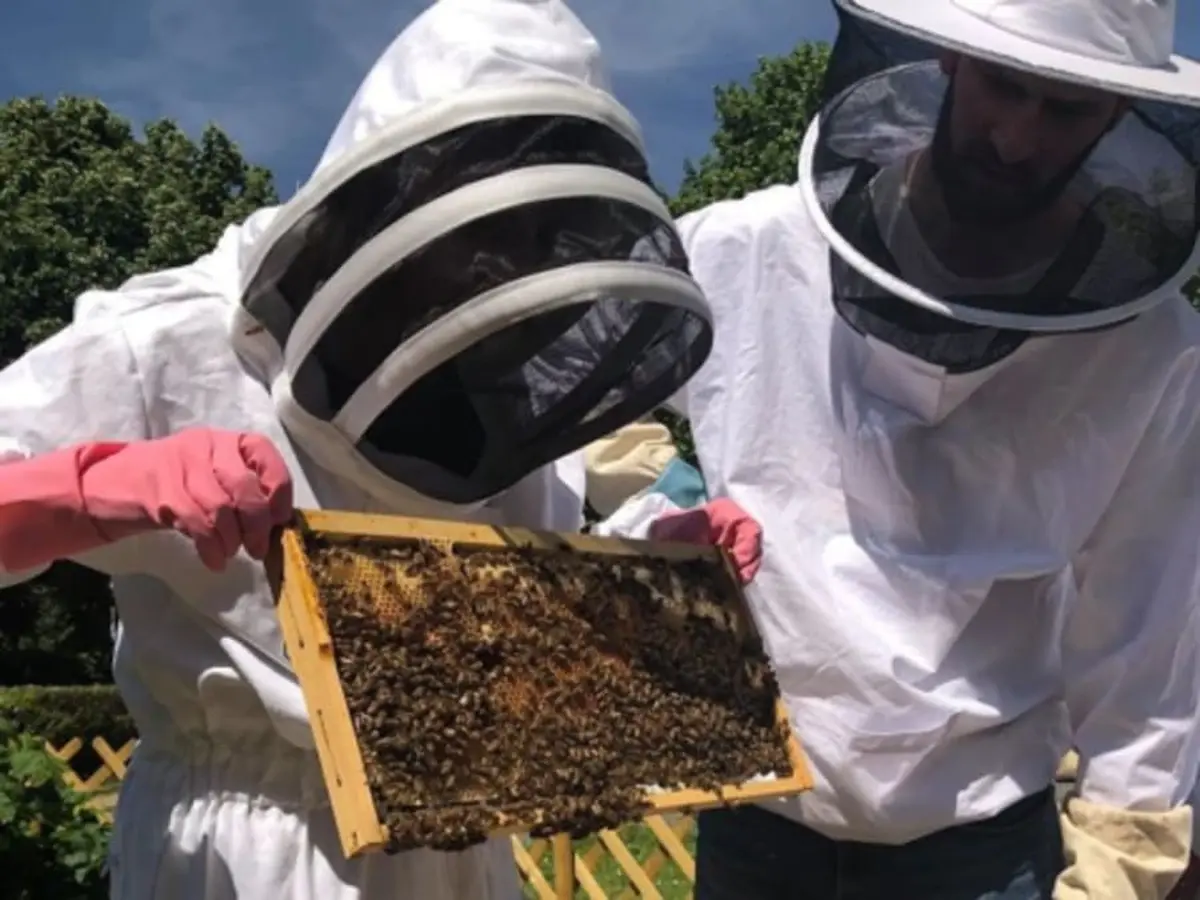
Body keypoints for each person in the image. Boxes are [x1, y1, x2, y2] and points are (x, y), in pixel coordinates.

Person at [0, 1, 714, 897]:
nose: (507, 271)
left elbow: (521, 625)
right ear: (404, 191)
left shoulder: (503, 409)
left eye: (538, 239)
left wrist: (653, 579)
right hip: (243, 855)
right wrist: (95, 486)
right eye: (488, 233)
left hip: (459, 846)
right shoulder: (170, 339)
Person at [597, 0, 1200, 897]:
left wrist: (1119, 868)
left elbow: (1149, 645)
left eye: (1065, 108)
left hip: (982, 847)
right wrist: (663, 495)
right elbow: (580, 383)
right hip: (752, 812)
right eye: (1005, 85)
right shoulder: (743, 248)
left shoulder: (1153, 353)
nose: (1017, 139)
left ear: (1117, 112)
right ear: (953, 61)